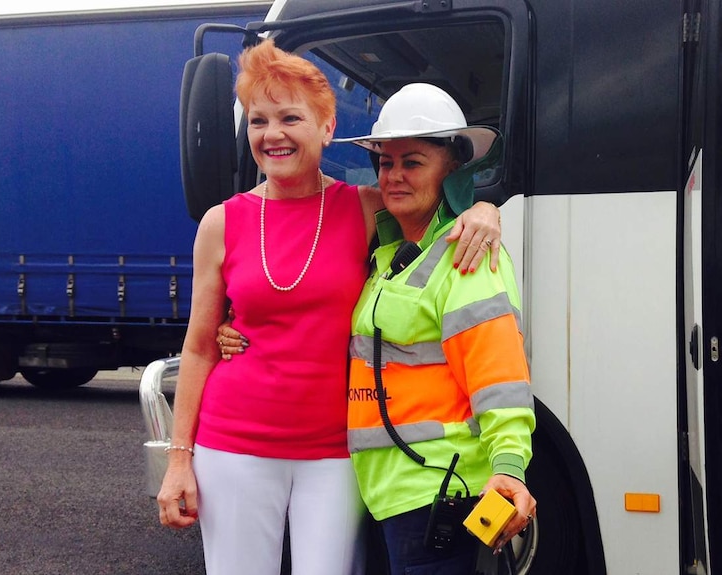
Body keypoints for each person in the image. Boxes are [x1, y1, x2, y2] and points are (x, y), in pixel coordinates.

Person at [156, 39, 502, 575]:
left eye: (289, 118)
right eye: (257, 120)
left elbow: (433, 199)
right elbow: (199, 347)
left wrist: (484, 208)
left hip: (336, 453)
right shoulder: (221, 223)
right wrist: (179, 460)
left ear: (326, 126)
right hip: (234, 443)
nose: (272, 134)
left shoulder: (364, 209)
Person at [337, 83, 536, 574]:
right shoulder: (389, 258)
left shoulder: (468, 257)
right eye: (385, 162)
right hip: (388, 497)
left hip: (437, 494)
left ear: (452, 169)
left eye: (413, 162)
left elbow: (501, 378)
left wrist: (509, 468)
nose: (394, 176)